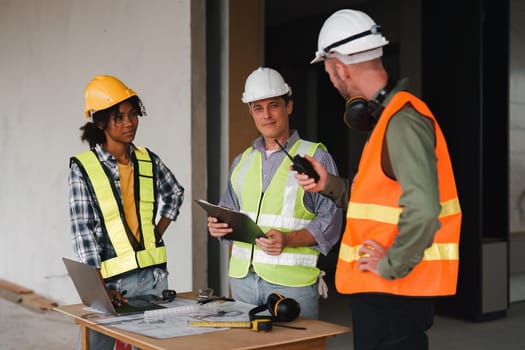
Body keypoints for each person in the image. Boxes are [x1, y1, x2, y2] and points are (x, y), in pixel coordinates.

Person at [296, 9, 463, 349]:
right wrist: (328, 184)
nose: (331, 79)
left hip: (391, 292)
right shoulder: (388, 121)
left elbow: (425, 207)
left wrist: (390, 264)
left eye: (329, 71)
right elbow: (375, 200)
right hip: (382, 292)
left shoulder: (402, 121)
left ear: (339, 66)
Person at [207, 67, 343, 319]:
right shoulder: (242, 161)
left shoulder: (314, 156)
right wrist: (219, 226)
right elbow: (229, 211)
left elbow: (331, 221)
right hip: (242, 282)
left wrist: (288, 239)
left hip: (291, 284)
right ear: (250, 112)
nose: (266, 115)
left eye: (273, 105)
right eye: (258, 108)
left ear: (288, 106)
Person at [68, 75, 184, 350]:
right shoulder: (84, 168)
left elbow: (175, 193)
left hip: (153, 281)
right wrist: (99, 293)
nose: (129, 123)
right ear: (100, 122)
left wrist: (154, 234)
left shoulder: (147, 159)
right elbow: (82, 231)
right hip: (111, 286)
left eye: (133, 114)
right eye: (118, 117)